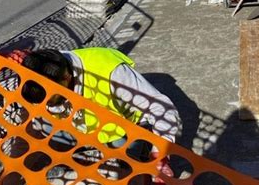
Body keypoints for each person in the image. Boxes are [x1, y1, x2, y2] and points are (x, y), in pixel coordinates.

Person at [22, 47, 179, 145]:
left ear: (66, 77)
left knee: (129, 158)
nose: (47, 105)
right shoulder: (39, 72)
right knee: (38, 128)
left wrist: (161, 151)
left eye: (51, 101)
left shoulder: (109, 71)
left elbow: (160, 106)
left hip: (121, 130)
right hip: (79, 129)